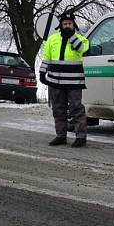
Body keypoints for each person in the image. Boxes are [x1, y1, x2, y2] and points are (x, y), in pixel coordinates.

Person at [39, 10, 89, 147]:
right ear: (60, 25)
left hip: (74, 83)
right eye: (65, 23)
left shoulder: (81, 38)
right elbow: (47, 58)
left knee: (76, 109)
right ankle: (61, 136)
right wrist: (42, 73)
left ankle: (81, 137)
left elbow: (82, 49)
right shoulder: (52, 39)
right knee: (58, 109)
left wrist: (72, 37)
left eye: (70, 24)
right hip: (55, 82)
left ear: (74, 25)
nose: (67, 26)